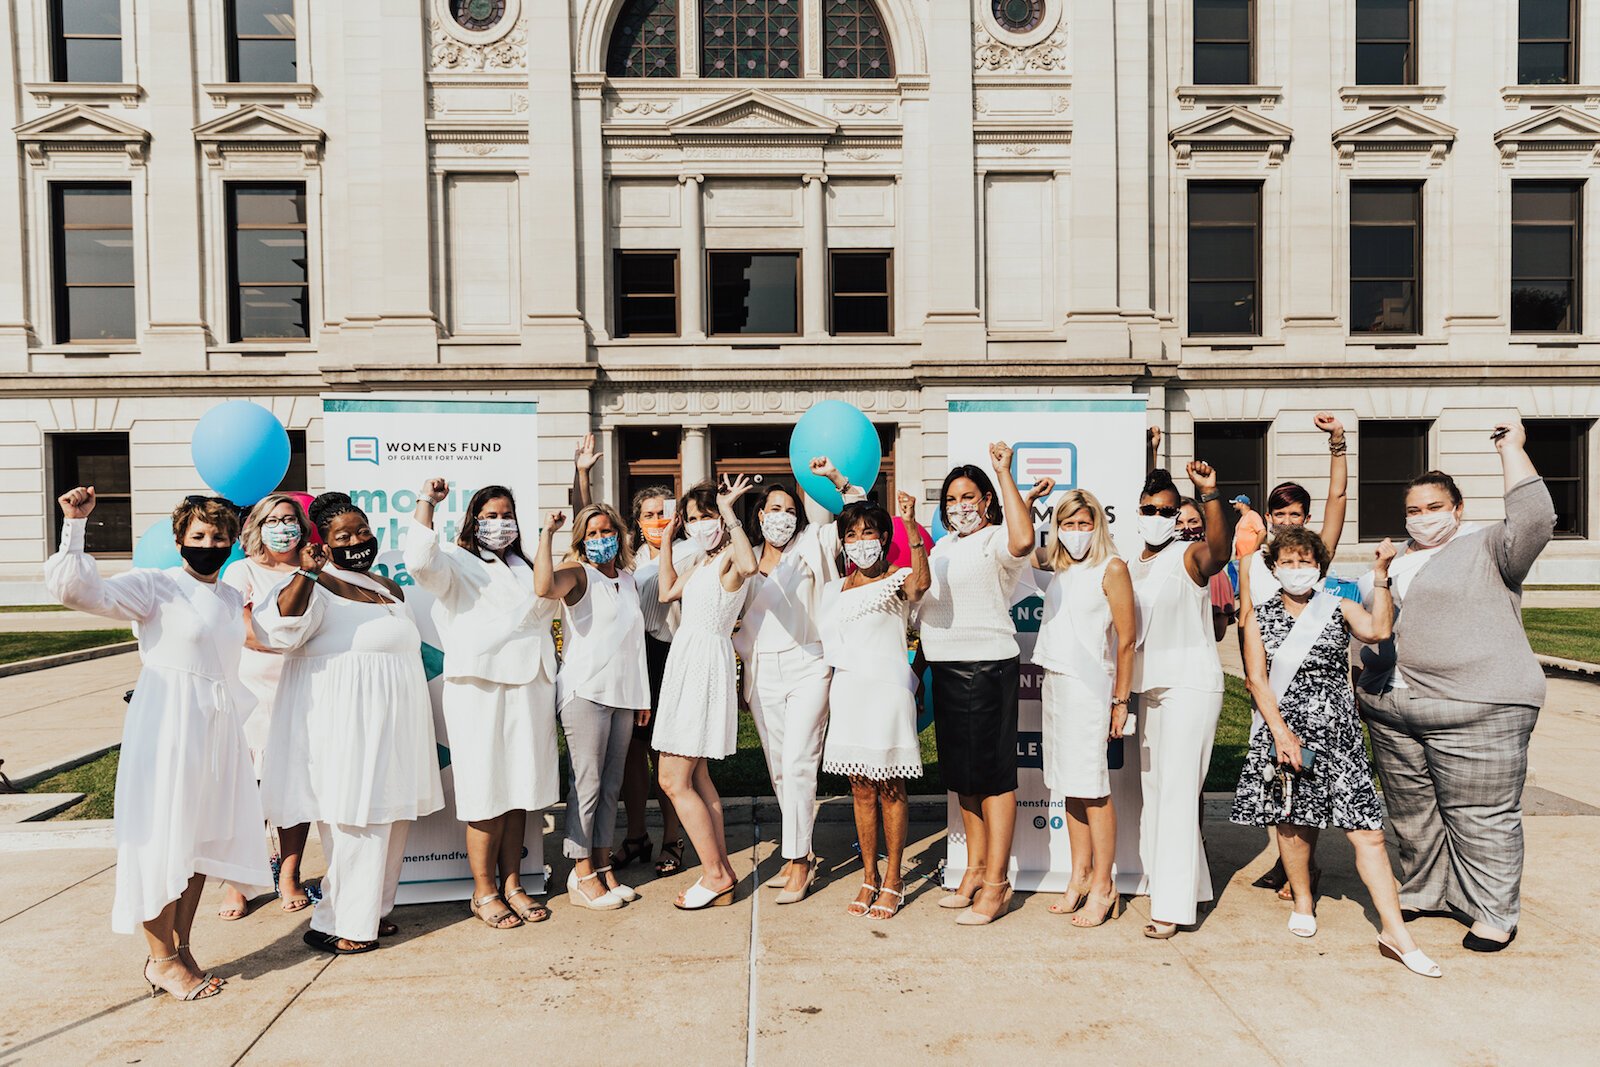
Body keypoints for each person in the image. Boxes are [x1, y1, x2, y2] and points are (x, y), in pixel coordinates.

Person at [47, 488, 269, 1000]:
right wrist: (75, 525)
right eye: (198, 536)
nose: (209, 543)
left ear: (232, 542)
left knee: (198, 841)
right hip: (168, 724)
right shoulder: (156, 586)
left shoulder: (232, 597)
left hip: (215, 728)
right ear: (179, 540)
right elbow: (78, 592)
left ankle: (182, 946)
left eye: (219, 536)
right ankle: (160, 960)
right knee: (161, 838)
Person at [1356, 418, 1554, 953]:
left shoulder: (1490, 546)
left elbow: (1535, 518)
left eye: (1435, 507)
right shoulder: (1393, 561)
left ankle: (1492, 911)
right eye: (1414, 510)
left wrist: (1510, 449)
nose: (1424, 518)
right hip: (1393, 705)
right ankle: (1426, 889)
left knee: (1481, 815)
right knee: (1412, 812)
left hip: (1477, 703)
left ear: (1458, 508)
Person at [1231, 527, 1440, 977]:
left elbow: (1379, 629)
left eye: (1305, 561)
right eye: (1287, 561)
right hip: (1285, 733)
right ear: (1273, 568)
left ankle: (1395, 932)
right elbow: (1256, 681)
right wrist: (1282, 736)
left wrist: (1381, 574)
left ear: (1320, 567)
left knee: (1367, 832)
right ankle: (1303, 900)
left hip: (1339, 735)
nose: (1296, 569)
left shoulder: (1339, 606)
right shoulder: (1257, 618)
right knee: (1293, 823)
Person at [256, 492, 444, 955]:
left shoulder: (385, 587)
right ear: (321, 542)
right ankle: (346, 923)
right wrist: (307, 571)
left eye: (363, 531)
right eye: (343, 535)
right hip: (345, 726)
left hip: (394, 725)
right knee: (358, 822)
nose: (358, 540)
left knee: (390, 819)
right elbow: (280, 628)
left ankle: (372, 912)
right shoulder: (314, 584)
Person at [407, 479, 558, 929]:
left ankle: (513, 884)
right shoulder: (456, 562)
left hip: (530, 685)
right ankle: (484, 890)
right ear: (473, 521)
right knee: (485, 790)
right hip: (480, 688)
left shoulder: (526, 565)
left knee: (520, 791)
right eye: (489, 516)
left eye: (505, 514)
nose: (498, 523)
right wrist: (427, 503)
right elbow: (418, 562)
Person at [735, 457, 864, 903]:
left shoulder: (815, 543)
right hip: (761, 670)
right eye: (774, 509)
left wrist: (835, 479)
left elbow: (857, 512)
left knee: (798, 762)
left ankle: (799, 860)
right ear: (760, 515)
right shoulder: (745, 558)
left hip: (809, 664)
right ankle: (798, 848)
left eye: (790, 509)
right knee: (779, 770)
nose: (782, 517)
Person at [918, 444, 1035, 927]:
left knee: (992, 777)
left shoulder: (995, 542)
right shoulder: (942, 547)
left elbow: (1025, 539)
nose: (959, 506)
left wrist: (1004, 473)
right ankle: (974, 870)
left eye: (969, 497)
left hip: (988, 667)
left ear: (986, 501)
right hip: (944, 667)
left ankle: (997, 883)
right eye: (951, 499)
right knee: (962, 780)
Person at [1236, 412, 1348, 896]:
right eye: (1278, 514)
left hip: (1313, 692)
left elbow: (1339, 500)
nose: (1286, 522)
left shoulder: (1313, 556)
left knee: (1308, 777)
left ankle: (1305, 865)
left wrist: (1339, 445)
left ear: (1305, 519)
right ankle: (1287, 862)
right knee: (1272, 773)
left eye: (1295, 514)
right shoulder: (1254, 559)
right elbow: (1245, 615)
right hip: (1268, 685)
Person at [571, 437, 690, 878]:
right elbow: (586, 530)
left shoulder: (692, 551)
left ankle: (673, 839)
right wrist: (582, 475)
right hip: (634, 659)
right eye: (650, 514)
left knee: (668, 757)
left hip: (673, 656)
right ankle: (636, 836)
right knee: (632, 759)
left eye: (665, 512)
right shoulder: (627, 559)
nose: (659, 519)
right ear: (637, 523)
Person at [1128, 462, 1230, 939]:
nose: (1157, 515)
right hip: (1151, 689)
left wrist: (1209, 494)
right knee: (1157, 792)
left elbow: (1221, 551)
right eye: (1150, 508)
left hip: (1190, 685)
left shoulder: (1190, 555)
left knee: (1176, 795)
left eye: (1167, 510)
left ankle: (1170, 908)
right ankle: (1192, 885)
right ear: (1138, 512)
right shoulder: (1131, 564)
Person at [651, 476, 760, 909]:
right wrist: (666, 543)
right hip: (688, 659)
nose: (699, 524)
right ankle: (723, 873)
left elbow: (751, 566)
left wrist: (730, 511)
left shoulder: (733, 554)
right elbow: (665, 592)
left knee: (671, 779)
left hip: (702, 662)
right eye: (693, 518)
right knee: (696, 776)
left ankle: (713, 874)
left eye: (706, 516)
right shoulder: (700, 561)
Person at [818, 494, 929, 919]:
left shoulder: (900, 577)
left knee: (890, 787)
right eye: (851, 535)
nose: (861, 541)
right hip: (849, 693)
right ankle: (869, 875)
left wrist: (912, 528)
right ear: (843, 543)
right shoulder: (834, 590)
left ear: (883, 538)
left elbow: (921, 586)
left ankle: (895, 879)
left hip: (887, 694)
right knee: (860, 789)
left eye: (868, 533)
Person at [535, 502, 650, 911]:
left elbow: (634, 645)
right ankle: (581, 871)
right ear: (582, 542)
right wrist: (546, 534)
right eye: (593, 534)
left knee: (611, 785)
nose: (602, 539)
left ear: (619, 534)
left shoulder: (629, 580)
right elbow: (544, 587)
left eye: (607, 532)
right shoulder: (578, 574)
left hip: (622, 696)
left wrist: (641, 698)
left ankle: (603, 867)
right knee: (586, 784)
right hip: (585, 693)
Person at [1032, 488, 1136, 928]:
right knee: (1069, 785)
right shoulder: (1056, 566)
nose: (1076, 533)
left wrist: (1120, 701)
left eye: (1083, 524)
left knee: (1093, 787)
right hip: (1055, 683)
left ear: (1098, 525)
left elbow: (1127, 640)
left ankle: (1104, 884)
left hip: (1091, 688)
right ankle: (1078, 876)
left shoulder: (1111, 568)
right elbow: (1018, 541)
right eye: (1067, 524)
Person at [219, 493, 316, 920]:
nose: (282, 527)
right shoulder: (242, 571)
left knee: (296, 792)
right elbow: (242, 630)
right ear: (257, 527)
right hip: (253, 698)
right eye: (273, 520)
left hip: (303, 693)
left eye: (290, 518)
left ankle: (290, 874)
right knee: (249, 795)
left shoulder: (314, 571)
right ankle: (240, 882)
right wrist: (291, 642)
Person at [1179, 497, 1237, 641]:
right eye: (1178, 523)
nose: (1187, 528)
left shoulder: (1215, 574)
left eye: (1193, 521)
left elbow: (1218, 633)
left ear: (1203, 526)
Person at [1230, 495, 1266, 560]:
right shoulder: (1242, 518)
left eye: (1235, 503)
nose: (1234, 506)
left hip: (1250, 558)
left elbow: (1262, 532)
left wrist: (1253, 551)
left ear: (1241, 504)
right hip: (1241, 558)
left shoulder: (1252, 515)